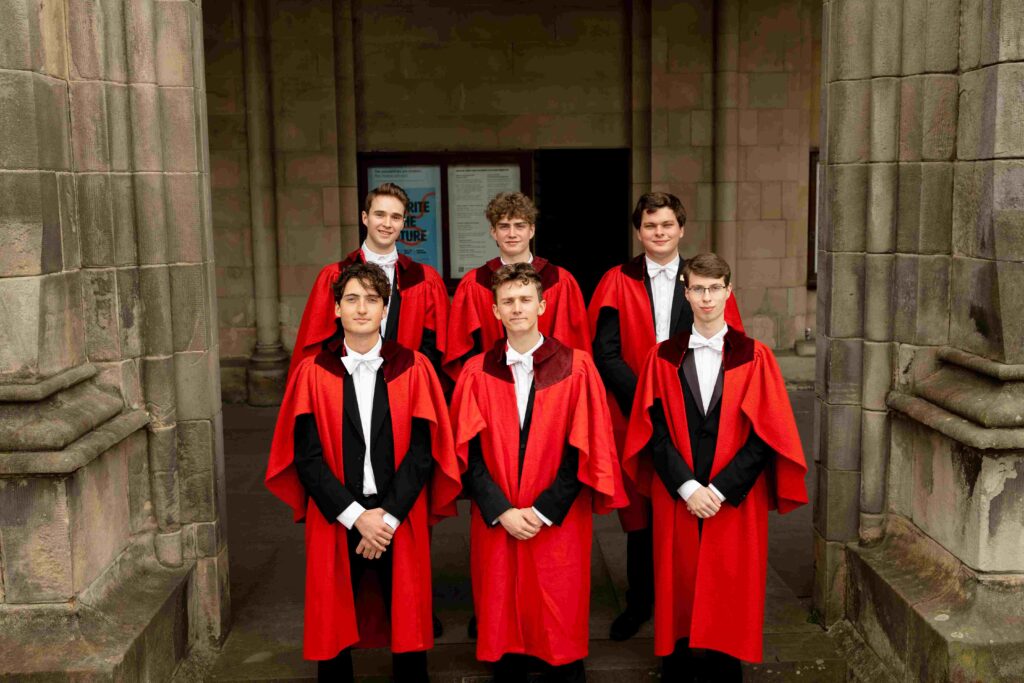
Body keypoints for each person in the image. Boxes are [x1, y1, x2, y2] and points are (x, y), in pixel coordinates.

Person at [265, 263, 461, 682]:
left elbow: (423, 453)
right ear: (336, 308)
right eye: (351, 299)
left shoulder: (414, 367)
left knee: (408, 626)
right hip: (338, 515)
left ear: (384, 309)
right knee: (333, 627)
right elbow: (307, 458)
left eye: (372, 300)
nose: (361, 309)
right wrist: (356, 516)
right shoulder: (313, 372)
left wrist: (385, 518)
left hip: (397, 517)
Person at [623, 253, 808, 682]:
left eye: (714, 288)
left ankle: (726, 671)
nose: (706, 297)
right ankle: (677, 670)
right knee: (679, 583)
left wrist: (721, 489)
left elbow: (767, 435)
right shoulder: (661, 356)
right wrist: (687, 487)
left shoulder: (756, 356)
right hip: (678, 494)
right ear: (686, 293)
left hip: (734, 496)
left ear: (728, 292)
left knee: (729, 586)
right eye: (697, 289)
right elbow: (652, 431)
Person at [450, 263, 626, 683]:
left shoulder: (576, 366)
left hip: (557, 516)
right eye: (508, 301)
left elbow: (585, 449)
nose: (517, 308)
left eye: (525, 299)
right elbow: (466, 452)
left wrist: (544, 510)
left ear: (542, 305)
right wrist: (500, 510)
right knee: (501, 602)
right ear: (495, 311)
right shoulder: (477, 370)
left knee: (557, 602)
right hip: (498, 515)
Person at [587, 192, 745, 641]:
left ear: (681, 229)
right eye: (650, 225)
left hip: (694, 414)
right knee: (642, 513)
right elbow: (605, 351)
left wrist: (678, 399)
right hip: (634, 411)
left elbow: (730, 347)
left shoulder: (703, 279)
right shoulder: (617, 279)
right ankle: (639, 603)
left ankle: (694, 605)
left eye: (667, 224)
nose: (659, 232)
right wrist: (646, 395)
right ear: (639, 232)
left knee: (690, 506)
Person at [288, 182, 450, 388]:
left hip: (405, 385)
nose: (387, 224)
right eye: (380, 215)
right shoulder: (334, 275)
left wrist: (413, 382)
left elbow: (432, 346)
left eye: (395, 217)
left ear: (403, 223)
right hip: (345, 385)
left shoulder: (424, 279)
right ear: (365, 218)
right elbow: (319, 343)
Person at [444, 191, 590, 382]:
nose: (512, 234)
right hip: (490, 382)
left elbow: (572, 344)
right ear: (493, 232)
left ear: (532, 230)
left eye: (519, 226)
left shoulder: (560, 280)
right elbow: (462, 348)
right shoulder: (474, 283)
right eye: (504, 226)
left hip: (551, 383)